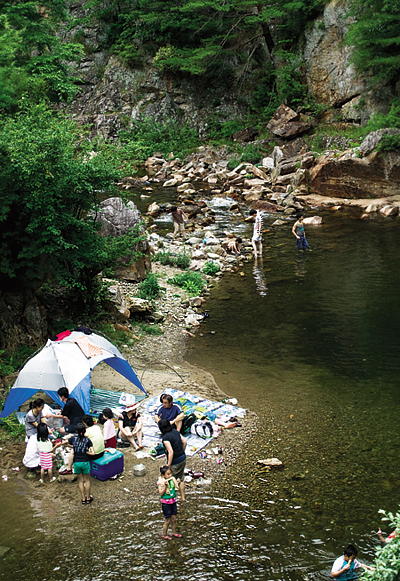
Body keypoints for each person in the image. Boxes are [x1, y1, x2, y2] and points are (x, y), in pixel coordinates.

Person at [56, 423, 95, 504]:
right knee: (87, 481)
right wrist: (86, 452)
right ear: (85, 431)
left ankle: (83, 499)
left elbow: (64, 443)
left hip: (76, 463)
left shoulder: (73, 439)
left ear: (76, 431)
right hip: (85, 462)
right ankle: (88, 498)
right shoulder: (87, 440)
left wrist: (70, 446)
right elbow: (93, 453)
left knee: (80, 481)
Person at [158, 419, 187, 501]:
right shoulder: (175, 431)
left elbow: (170, 452)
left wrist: (168, 465)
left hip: (175, 461)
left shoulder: (165, 438)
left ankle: (171, 498)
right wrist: (182, 452)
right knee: (181, 478)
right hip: (183, 458)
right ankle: (183, 498)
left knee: (170, 479)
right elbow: (184, 442)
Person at [158, 465, 182, 540]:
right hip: (166, 503)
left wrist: (177, 483)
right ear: (163, 475)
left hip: (173, 501)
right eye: (168, 474)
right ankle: (164, 534)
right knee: (167, 520)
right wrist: (165, 486)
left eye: (170, 474)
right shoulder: (161, 482)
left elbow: (175, 489)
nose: (170, 475)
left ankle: (174, 532)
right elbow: (161, 493)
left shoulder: (172, 480)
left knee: (174, 518)